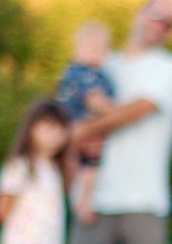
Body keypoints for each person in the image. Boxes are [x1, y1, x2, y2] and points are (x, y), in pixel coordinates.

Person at [68, 0, 172, 244]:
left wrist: (81, 131)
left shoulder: (171, 67)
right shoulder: (102, 62)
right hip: (95, 198)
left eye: (169, 23)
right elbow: (66, 113)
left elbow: (133, 111)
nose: (161, 25)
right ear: (139, 13)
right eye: (157, 16)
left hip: (145, 199)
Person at [0, 99, 70, 244]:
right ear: (31, 129)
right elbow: (2, 211)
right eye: (49, 128)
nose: (56, 135)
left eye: (61, 129)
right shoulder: (20, 166)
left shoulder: (54, 168)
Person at [55, 21, 116, 228]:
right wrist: (121, 114)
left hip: (92, 134)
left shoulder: (100, 74)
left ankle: (83, 202)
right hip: (76, 129)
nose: (94, 53)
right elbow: (96, 101)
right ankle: (76, 202)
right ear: (76, 50)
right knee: (75, 162)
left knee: (90, 168)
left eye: (100, 49)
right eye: (89, 48)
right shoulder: (79, 74)